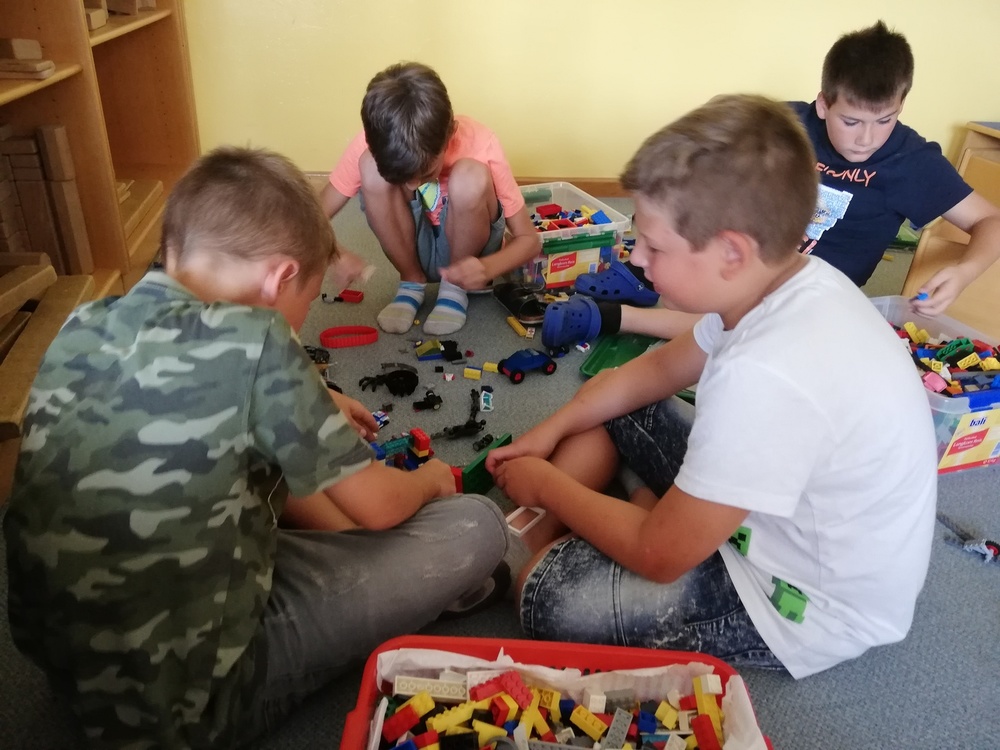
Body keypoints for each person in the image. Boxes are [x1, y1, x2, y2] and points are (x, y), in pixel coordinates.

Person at [3, 146, 510, 748]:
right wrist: (429, 480)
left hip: (66, 663)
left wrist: (315, 397)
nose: (298, 326)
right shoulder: (260, 338)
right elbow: (381, 508)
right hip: (193, 707)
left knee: (256, 476)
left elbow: (192, 397)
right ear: (278, 279)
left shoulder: (82, 324)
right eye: (305, 305)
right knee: (476, 526)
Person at [486, 94, 938, 679]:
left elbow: (659, 556)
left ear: (731, 252)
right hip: (774, 510)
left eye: (655, 246)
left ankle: (622, 514)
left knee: (542, 593)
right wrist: (550, 431)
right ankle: (624, 512)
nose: (637, 259)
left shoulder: (765, 374)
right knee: (616, 403)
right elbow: (650, 375)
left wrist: (547, 484)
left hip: (802, 602)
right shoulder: (780, 281)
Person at [542, 19, 1000, 350]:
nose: (867, 138)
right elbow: (707, 146)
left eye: (885, 120)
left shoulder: (912, 161)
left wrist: (963, 273)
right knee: (700, 224)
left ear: (901, 105)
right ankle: (648, 277)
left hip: (811, 291)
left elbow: (990, 222)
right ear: (823, 104)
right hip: (748, 257)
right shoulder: (790, 123)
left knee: (752, 325)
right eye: (851, 121)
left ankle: (617, 317)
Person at [320, 61, 541, 336]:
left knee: (470, 176)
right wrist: (335, 254)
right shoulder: (376, 140)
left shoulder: (481, 142)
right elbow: (310, 217)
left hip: (470, 256)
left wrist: (487, 268)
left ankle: (454, 289)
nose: (413, 185)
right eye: (401, 178)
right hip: (412, 247)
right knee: (371, 168)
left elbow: (530, 240)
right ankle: (411, 282)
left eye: (425, 173)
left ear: (450, 133)